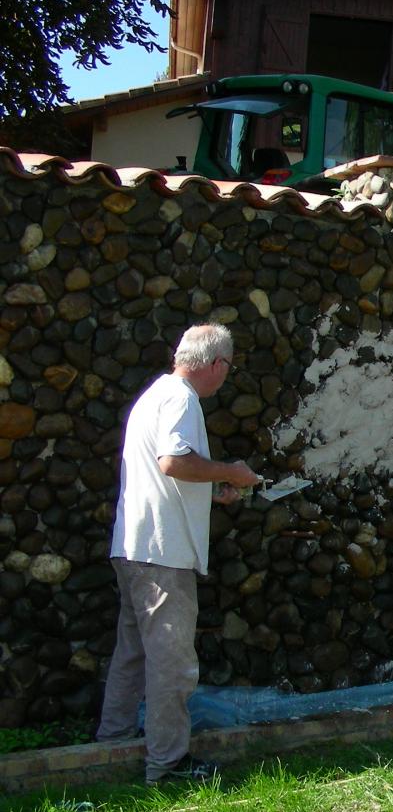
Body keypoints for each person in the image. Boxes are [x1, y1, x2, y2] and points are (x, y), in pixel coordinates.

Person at [96, 324, 261, 784]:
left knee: (132, 653)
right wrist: (233, 472)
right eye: (227, 368)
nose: (225, 377)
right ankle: (166, 765)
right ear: (215, 364)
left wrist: (212, 493)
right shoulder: (183, 399)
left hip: (133, 547)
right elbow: (173, 462)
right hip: (163, 555)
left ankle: (111, 746)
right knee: (172, 662)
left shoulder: (154, 395)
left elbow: (162, 479)